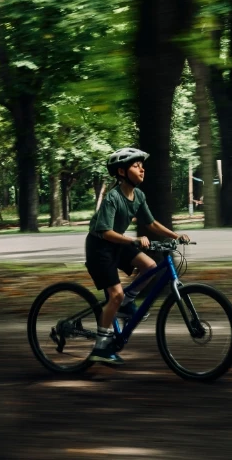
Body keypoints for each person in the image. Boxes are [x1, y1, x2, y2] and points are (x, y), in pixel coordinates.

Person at [85, 147, 190, 365]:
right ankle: (101, 348)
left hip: (118, 243)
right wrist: (134, 240)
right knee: (115, 295)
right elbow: (105, 231)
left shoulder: (138, 195)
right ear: (122, 172)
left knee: (151, 265)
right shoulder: (113, 198)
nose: (142, 169)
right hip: (100, 247)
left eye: (142, 165)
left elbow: (151, 223)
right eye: (136, 165)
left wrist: (175, 235)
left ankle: (126, 302)